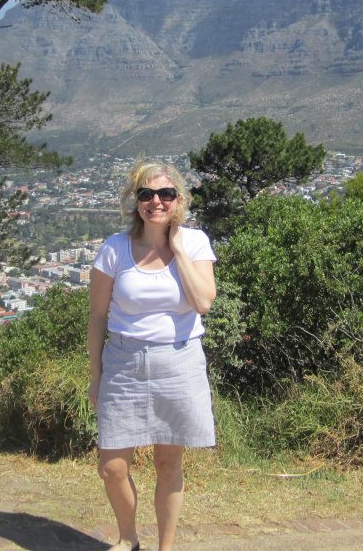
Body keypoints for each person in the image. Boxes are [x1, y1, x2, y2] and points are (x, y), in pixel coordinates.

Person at [88, 160, 217, 551]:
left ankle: (166, 546)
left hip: (178, 363)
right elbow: (97, 317)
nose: (156, 201)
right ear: (135, 201)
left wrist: (176, 248)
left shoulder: (195, 243)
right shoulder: (115, 249)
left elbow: (203, 302)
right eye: (146, 194)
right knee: (111, 467)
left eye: (165, 194)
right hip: (124, 363)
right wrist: (96, 377)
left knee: (168, 463)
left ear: (179, 199)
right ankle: (128, 538)